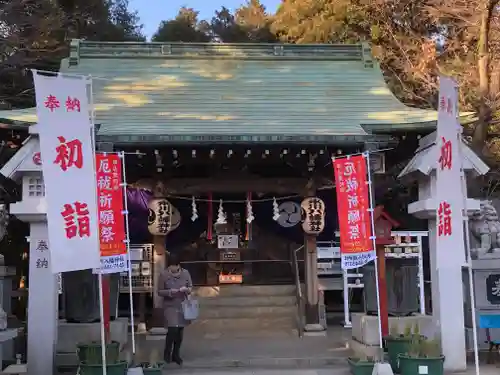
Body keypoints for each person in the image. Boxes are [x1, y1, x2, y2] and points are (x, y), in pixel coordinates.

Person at [157, 253, 193, 365]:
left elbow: (191, 287)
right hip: (170, 305)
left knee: (180, 331)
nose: (173, 268)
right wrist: (170, 292)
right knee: (173, 329)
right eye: (171, 266)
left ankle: (176, 354)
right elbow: (159, 291)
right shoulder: (163, 274)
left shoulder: (186, 273)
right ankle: (167, 352)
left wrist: (186, 289)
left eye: (175, 266)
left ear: (179, 265)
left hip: (182, 304)